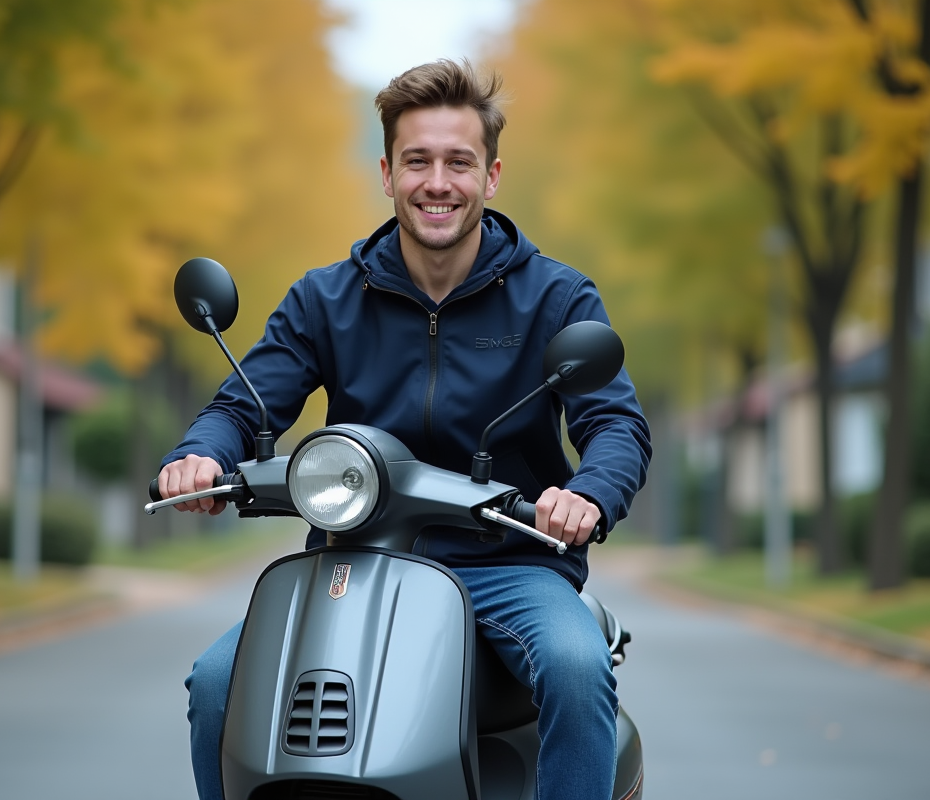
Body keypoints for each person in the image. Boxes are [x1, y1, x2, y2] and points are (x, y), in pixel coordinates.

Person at [158, 58, 651, 800]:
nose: (437, 183)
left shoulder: (556, 296)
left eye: (459, 162)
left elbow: (614, 422)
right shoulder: (325, 298)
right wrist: (200, 455)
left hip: (508, 565)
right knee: (216, 685)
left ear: (491, 176)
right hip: (355, 562)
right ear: (388, 173)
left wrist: (587, 494)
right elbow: (241, 407)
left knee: (576, 670)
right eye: (417, 161)